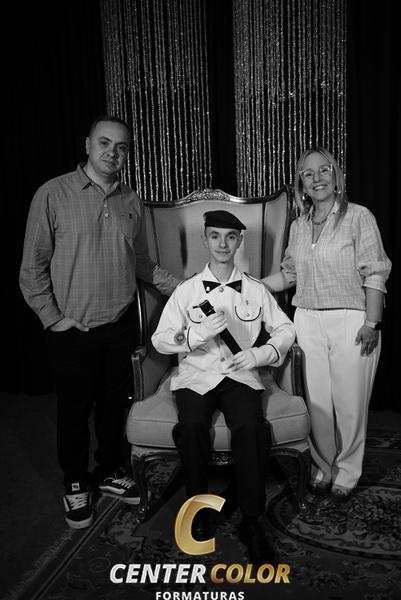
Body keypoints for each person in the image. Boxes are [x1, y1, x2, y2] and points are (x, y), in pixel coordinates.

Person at [19, 115, 180, 529]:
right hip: (73, 328)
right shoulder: (53, 193)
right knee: (74, 410)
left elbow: (141, 262)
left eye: (122, 147)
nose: (113, 152)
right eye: (105, 143)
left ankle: (109, 470)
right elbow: (32, 267)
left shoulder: (131, 200)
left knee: (114, 408)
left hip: (121, 325)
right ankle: (75, 482)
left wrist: (186, 287)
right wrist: (52, 318)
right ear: (88, 144)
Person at [152, 210, 295, 562]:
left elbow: (286, 329)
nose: (222, 244)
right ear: (205, 240)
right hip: (196, 376)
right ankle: (198, 511)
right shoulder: (186, 291)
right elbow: (160, 339)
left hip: (239, 375)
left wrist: (260, 354)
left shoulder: (255, 289)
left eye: (230, 237)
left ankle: (252, 520)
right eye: (215, 236)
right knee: (192, 427)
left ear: (239, 241)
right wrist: (196, 334)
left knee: (250, 428)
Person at [263, 147, 391, 504]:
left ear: (336, 177)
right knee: (317, 403)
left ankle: (347, 472)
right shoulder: (299, 226)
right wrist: (250, 284)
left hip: (352, 320)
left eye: (324, 170)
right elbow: (290, 275)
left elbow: (375, 271)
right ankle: (323, 467)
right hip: (307, 319)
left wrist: (372, 322)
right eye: (308, 173)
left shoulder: (358, 216)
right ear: (301, 184)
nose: (316, 178)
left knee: (349, 404)